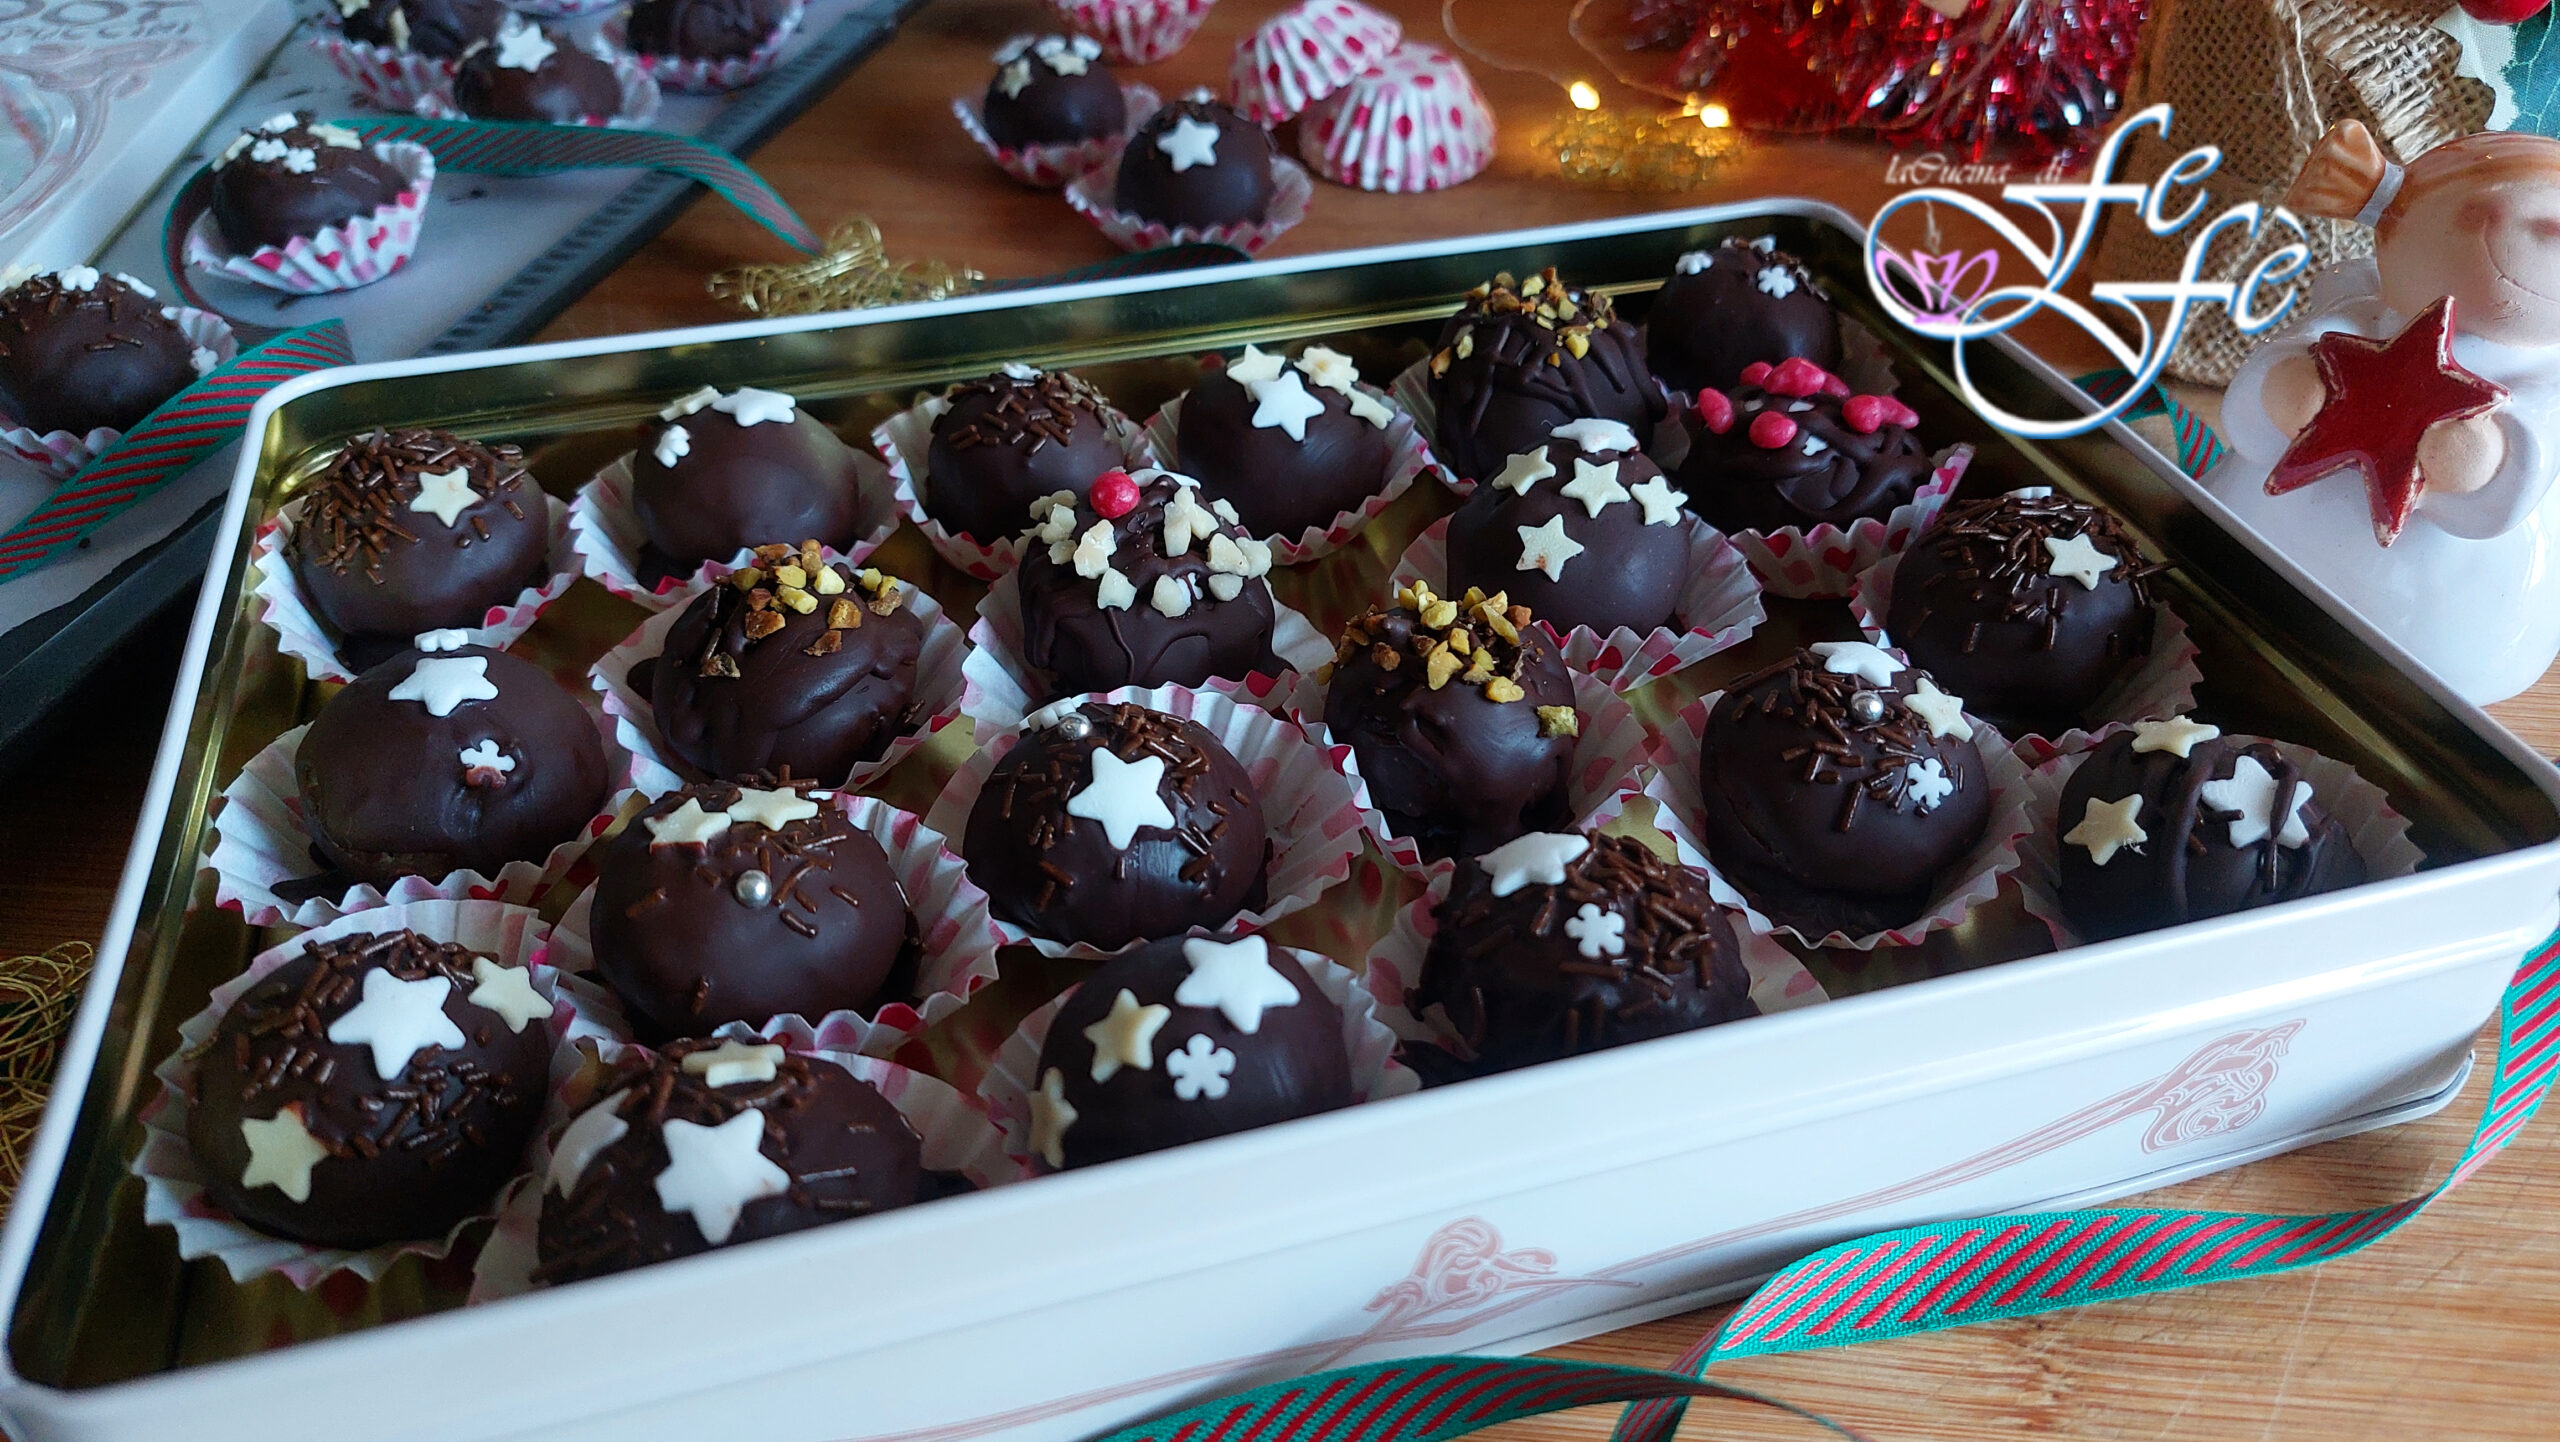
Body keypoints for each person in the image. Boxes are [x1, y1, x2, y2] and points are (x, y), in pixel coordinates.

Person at [2210, 119, 2560, 705]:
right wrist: (2291, 389)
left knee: (2437, 665)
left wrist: (2486, 459)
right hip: (2256, 552)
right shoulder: (2355, 317)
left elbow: (2524, 462)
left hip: (2448, 621)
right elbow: (2269, 389)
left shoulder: (2544, 378)